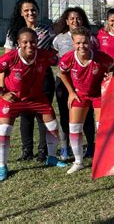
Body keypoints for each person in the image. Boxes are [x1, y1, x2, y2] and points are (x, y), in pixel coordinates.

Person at [0, 28, 67, 181]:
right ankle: (2, 166)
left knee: (52, 127)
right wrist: (2, 93)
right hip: (14, 99)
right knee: (4, 131)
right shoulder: (10, 58)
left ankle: (51, 158)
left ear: (37, 42)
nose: (29, 45)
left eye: (32, 41)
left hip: (37, 98)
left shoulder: (43, 56)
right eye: (25, 42)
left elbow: (62, 61)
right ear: (18, 43)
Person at [3, 0, 55, 162]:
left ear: (38, 11)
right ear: (21, 12)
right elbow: (6, 60)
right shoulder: (14, 31)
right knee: (25, 115)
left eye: (33, 9)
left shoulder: (48, 30)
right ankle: (27, 150)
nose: (30, 12)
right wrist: (3, 89)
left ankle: (43, 150)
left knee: (43, 113)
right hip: (19, 78)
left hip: (41, 74)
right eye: (26, 10)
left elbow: (56, 49)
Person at [58, 27, 114, 174]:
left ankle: (104, 158)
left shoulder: (100, 57)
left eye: (84, 42)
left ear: (90, 42)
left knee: (102, 127)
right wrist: (71, 92)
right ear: (73, 43)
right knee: (75, 127)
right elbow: (62, 73)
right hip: (79, 94)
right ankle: (78, 161)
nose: (81, 46)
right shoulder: (68, 58)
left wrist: (110, 75)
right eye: (78, 43)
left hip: (98, 94)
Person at [52, 7, 97, 160]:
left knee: (88, 115)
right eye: (72, 18)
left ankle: (91, 146)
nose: (75, 21)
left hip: (85, 79)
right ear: (67, 21)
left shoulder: (91, 38)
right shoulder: (59, 38)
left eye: (78, 18)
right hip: (65, 80)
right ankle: (65, 147)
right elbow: (54, 59)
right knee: (66, 114)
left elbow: (96, 58)